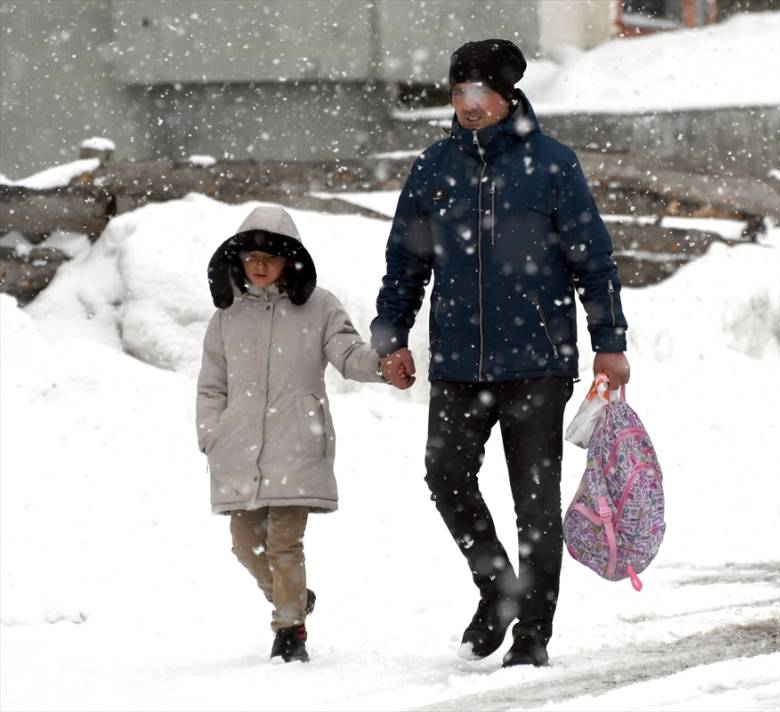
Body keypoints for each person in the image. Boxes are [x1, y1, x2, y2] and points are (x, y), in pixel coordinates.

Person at [370, 39, 631, 668]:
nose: (467, 104)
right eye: (458, 92)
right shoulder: (433, 168)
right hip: (459, 363)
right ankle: (498, 590)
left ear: (507, 94)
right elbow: (407, 261)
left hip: (537, 363)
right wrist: (391, 335)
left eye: (479, 91)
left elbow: (592, 259)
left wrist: (610, 343)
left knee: (535, 504)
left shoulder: (551, 165)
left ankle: (533, 633)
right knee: (445, 476)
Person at [196, 205, 383, 663]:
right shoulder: (226, 317)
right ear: (237, 260)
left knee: (283, 542)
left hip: (298, 440)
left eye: (271, 257)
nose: (259, 266)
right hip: (238, 447)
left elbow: (348, 351)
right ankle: (294, 596)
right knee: (245, 544)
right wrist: (211, 434)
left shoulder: (319, 306)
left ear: (289, 260)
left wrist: (381, 366)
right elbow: (211, 384)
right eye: (251, 256)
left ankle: (289, 630)